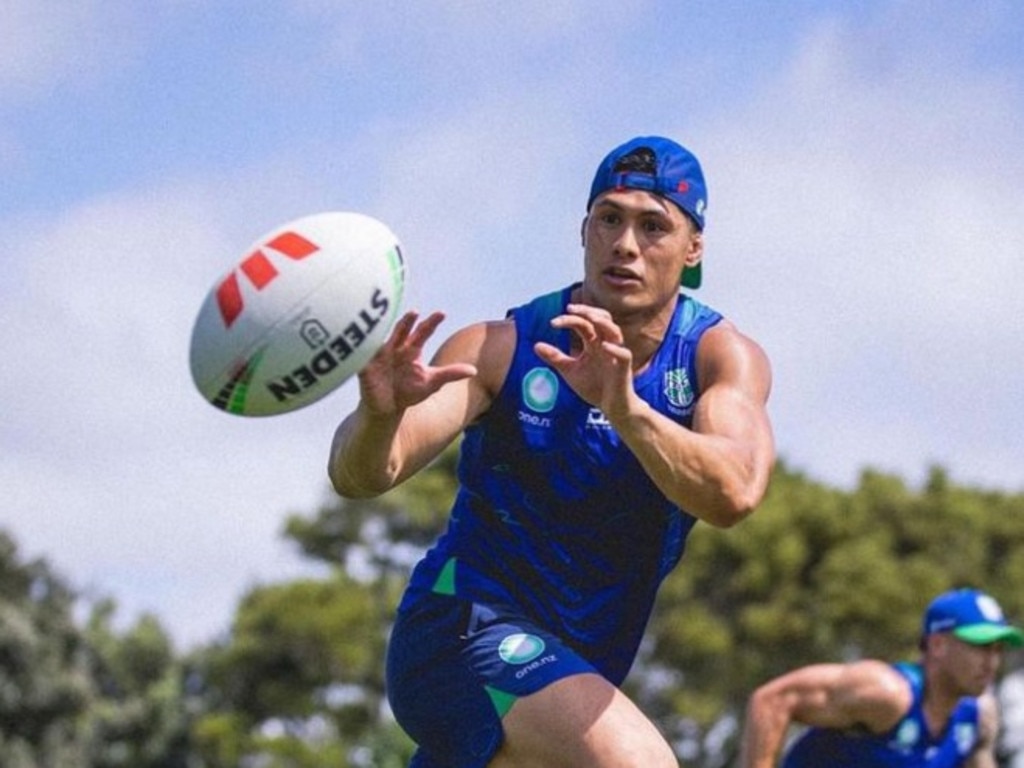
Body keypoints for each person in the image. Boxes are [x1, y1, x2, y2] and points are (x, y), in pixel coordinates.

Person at [328, 135, 775, 767]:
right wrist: (379, 416)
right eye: (610, 219)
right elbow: (367, 474)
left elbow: (734, 492)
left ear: (693, 247)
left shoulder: (716, 358)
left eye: (654, 226)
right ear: (584, 230)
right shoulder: (500, 347)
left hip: (575, 668)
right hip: (460, 629)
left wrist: (625, 410)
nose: (626, 244)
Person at [739, 587, 1024, 767]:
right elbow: (773, 700)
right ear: (937, 645)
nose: (991, 662)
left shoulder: (976, 719)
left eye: (998, 650)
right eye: (981, 647)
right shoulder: (886, 693)